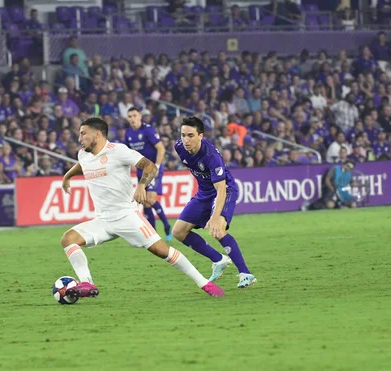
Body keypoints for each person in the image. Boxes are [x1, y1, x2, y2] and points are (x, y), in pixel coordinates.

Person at [60, 117, 225, 298]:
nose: (79, 138)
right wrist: (67, 176)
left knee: (162, 251)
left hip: (126, 216)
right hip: (103, 220)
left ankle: (205, 284)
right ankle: (87, 284)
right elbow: (82, 165)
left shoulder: (118, 151)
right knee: (68, 239)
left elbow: (150, 167)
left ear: (97, 134)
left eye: (83, 133)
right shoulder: (83, 154)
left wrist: (141, 186)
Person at [171, 116, 257, 289]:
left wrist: (215, 216)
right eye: (183, 135)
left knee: (217, 230)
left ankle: (246, 273)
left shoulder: (212, 156)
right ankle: (219, 260)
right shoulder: (179, 147)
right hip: (204, 193)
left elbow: (221, 189)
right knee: (178, 232)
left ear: (200, 136)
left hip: (224, 190)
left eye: (190, 135)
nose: (185, 140)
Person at [124, 107, 172, 241]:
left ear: (140, 116)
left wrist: (156, 166)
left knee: (150, 199)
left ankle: (165, 227)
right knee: (145, 202)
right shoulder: (128, 134)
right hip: (141, 170)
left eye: (134, 115)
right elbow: (128, 153)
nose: (132, 119)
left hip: (153, 168)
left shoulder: (148, 130)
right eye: (129, 116)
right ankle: (155, 233)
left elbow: (161, 148)